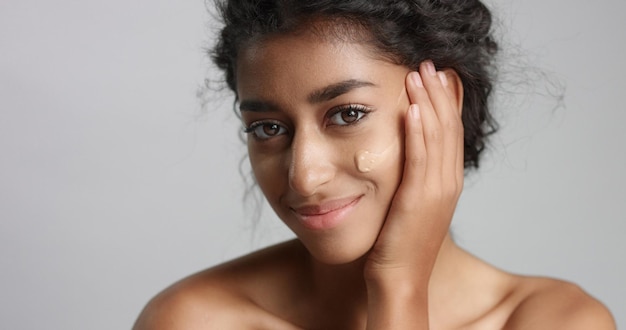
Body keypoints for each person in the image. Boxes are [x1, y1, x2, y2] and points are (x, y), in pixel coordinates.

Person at [133, 0, 615, 328]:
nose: (304, 175)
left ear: (441, 104)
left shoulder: (553, 320)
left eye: (347, 114)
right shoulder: (197, 319)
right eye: (268, 128)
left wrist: (398, 285)